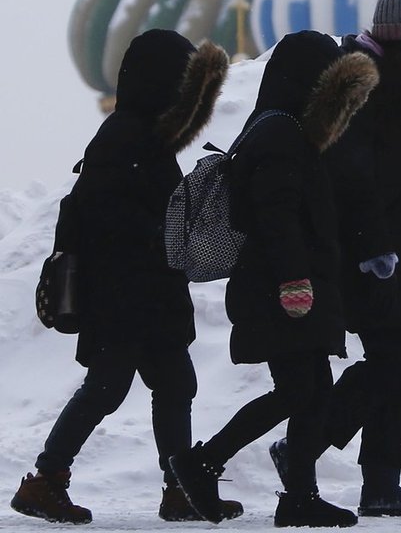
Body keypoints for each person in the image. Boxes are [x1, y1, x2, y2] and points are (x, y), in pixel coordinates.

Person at [10, 29, 238, 526]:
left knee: (175, 383)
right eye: (183, 86)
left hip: (146, 295)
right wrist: (164, 233)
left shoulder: (146, 137)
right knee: (108, 388)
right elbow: (105, 217)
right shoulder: (125, 137)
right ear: (162, 84)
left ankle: (179, 488)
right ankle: (45, 480)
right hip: (124, 297)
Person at [168, 31, 378, 529]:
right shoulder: (281, 135)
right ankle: (213, 466)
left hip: (281, 286)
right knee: (302, 392)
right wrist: (293, 282)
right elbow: (275, 215)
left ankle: (288, 492)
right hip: (282, 290)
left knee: (309, 392)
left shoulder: (274, 128)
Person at [271, 0, 401, 519]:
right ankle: (316, 447)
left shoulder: (396, 84)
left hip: (398, 252)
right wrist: (378, 250)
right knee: (394, 363)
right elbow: (356, 179)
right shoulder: (368, 88)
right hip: (376, 255)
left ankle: (378, 479)